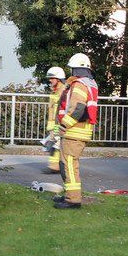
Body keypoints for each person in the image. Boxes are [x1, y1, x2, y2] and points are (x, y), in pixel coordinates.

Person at [54, 53, 99, 209]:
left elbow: (77, 109)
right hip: (78, 132)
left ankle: (73, 200)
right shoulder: (89, 84)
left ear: (76, 69)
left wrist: (63, 126)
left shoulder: (79, 84)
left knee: (70, 166)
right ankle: (70, 195)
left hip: (74, 132)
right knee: (66, 164)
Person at [43, 66, 66, 174]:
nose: (50, 80)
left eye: (52, 78)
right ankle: (54, 166)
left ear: (59, 79)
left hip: (58, 123)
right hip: (53, 124)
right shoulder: (55, 91)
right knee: (53, 144)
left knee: (56, 145)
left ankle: (55, 167)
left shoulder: (63, 90)